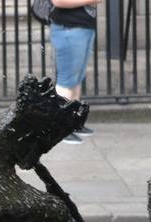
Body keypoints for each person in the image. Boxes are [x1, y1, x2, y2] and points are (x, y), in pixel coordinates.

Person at [49, 0, 101, 143]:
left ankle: (73, 123)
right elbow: (58, 2)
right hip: (69, 28)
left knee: (76, 80)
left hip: (83, 27)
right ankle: (60, 129)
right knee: (66, 82)